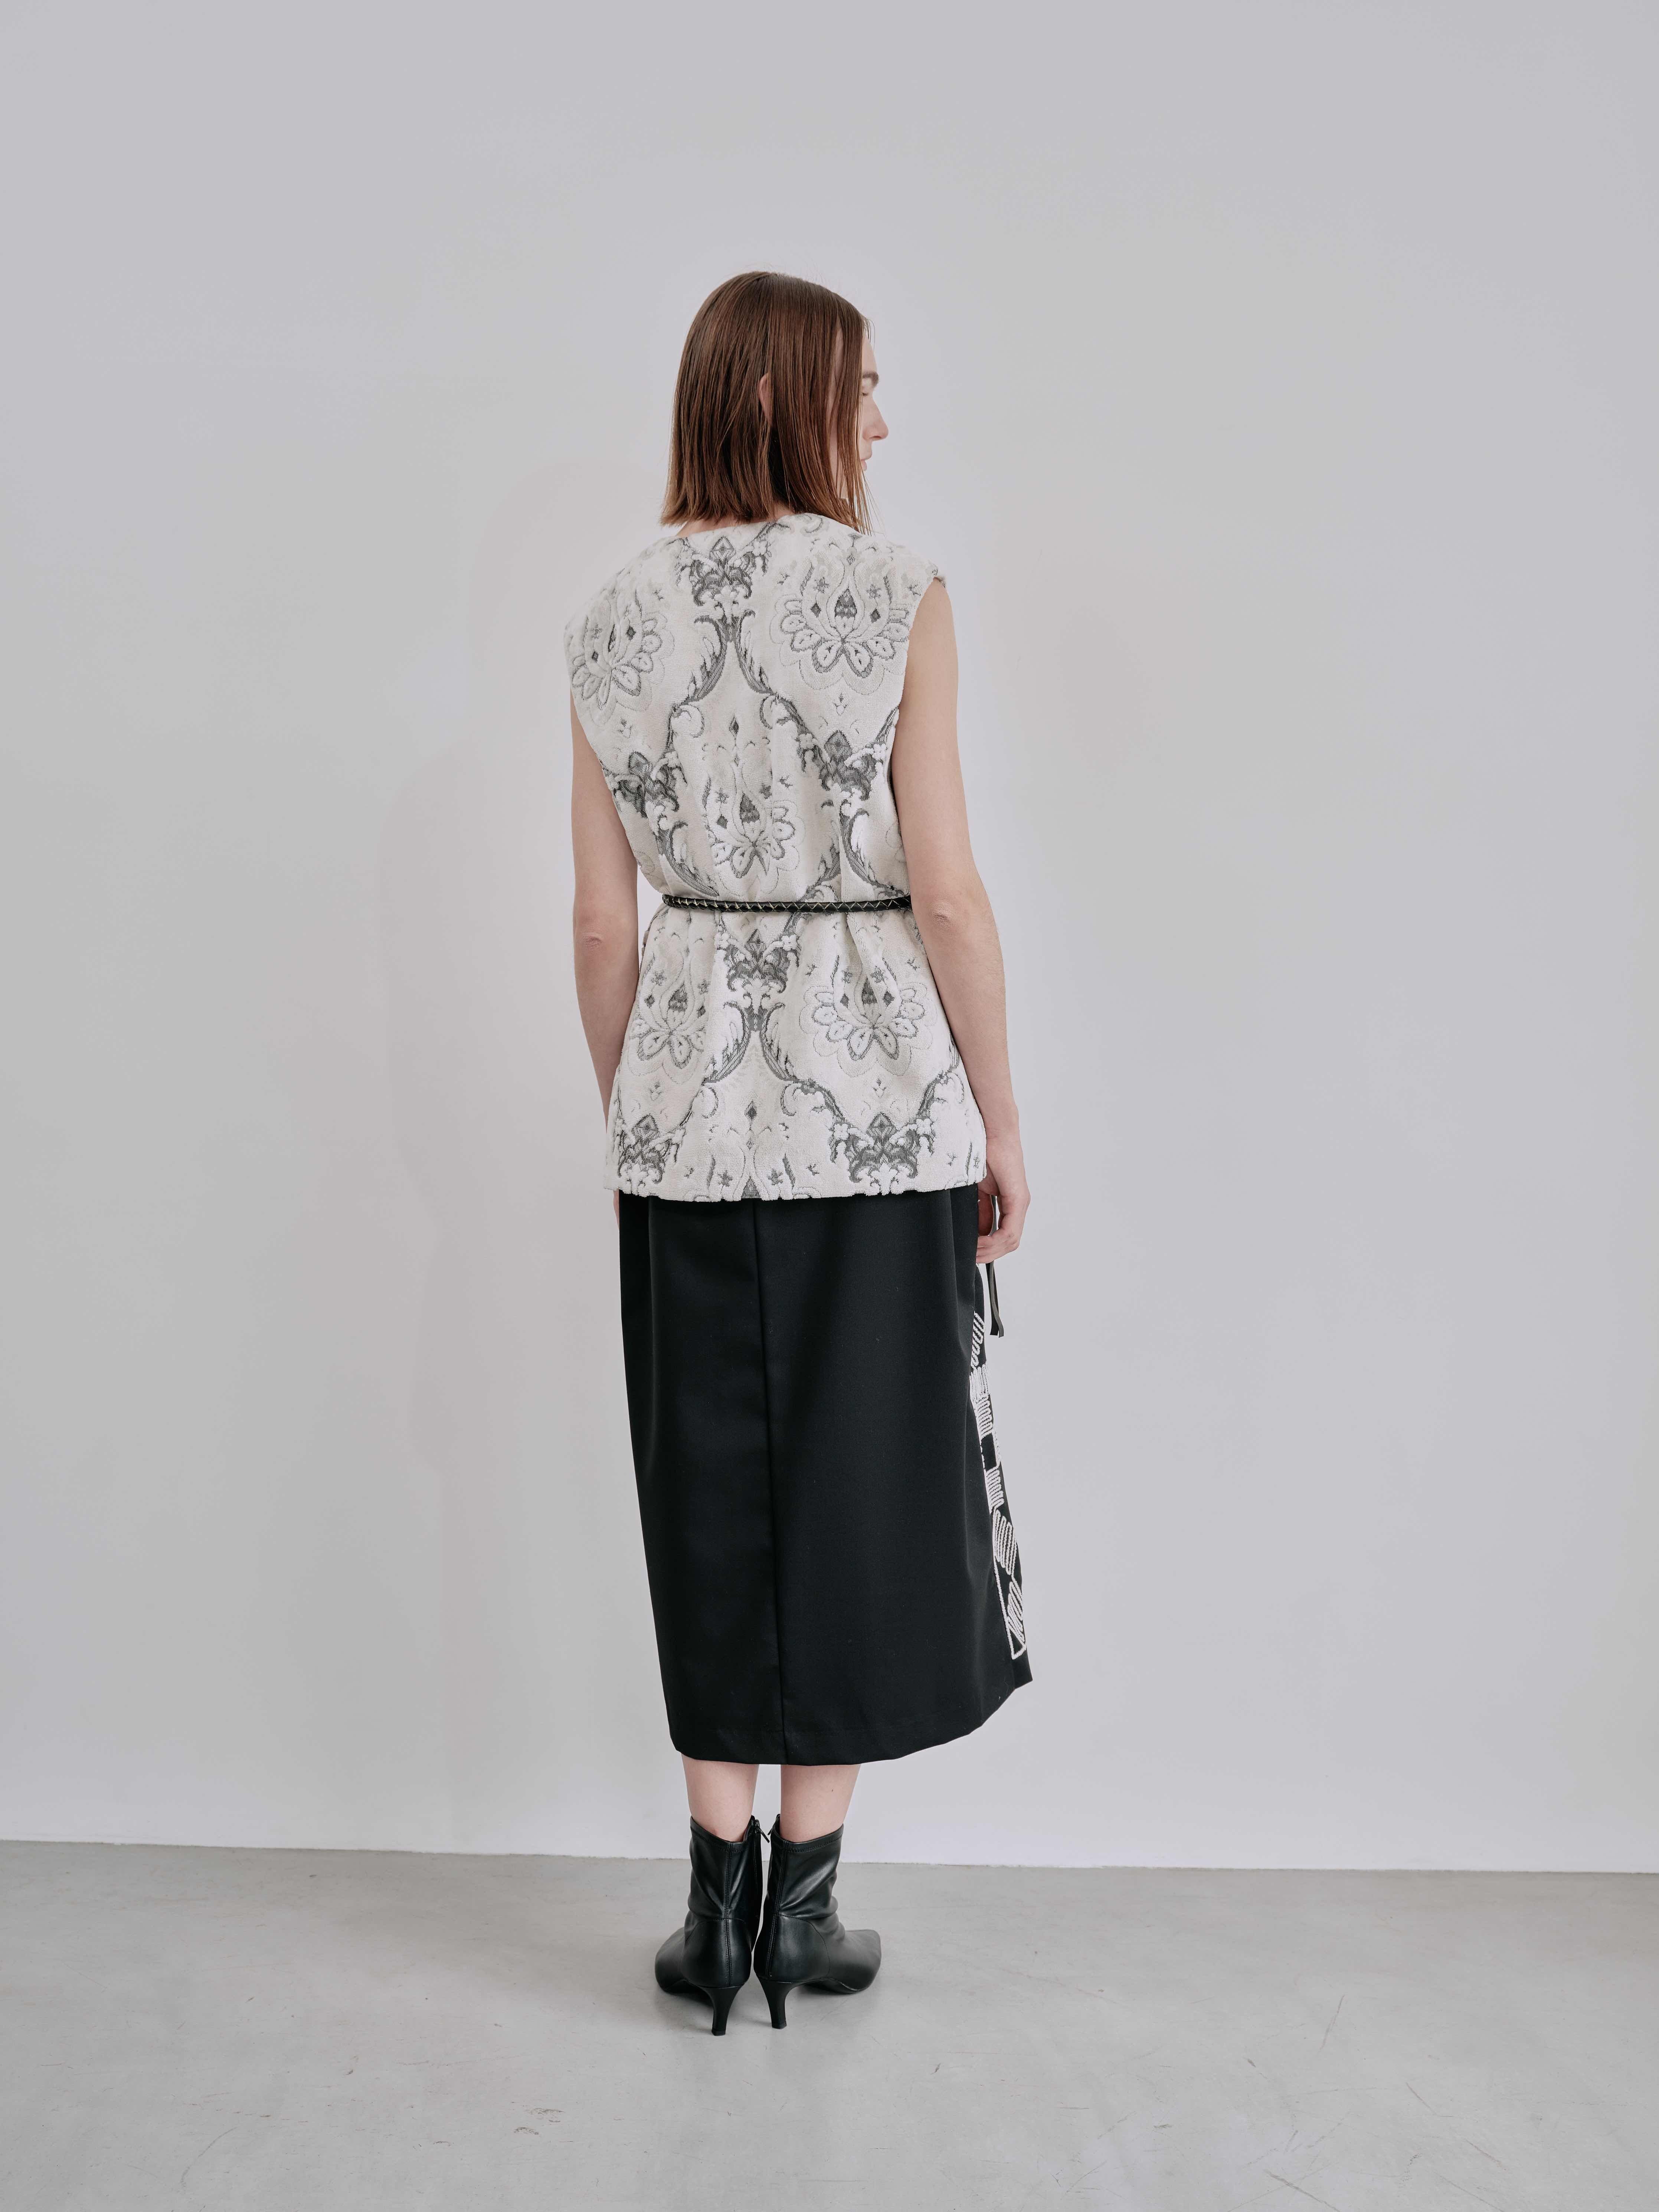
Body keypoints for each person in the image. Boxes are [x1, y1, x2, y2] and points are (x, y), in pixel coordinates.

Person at [565, 270, 1031, 2034]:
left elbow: (598, 923)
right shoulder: (895, 594)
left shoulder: (608, 613)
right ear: (788, 398)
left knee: (703, 1485)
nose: (882, 421)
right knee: (856, 1482)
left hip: (683, 1116)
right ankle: (807, 1905)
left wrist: (636, 1099)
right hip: (877, 1104)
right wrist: (1001, 1113)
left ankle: (712, 1909)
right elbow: (950, 892)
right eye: (865, 386)